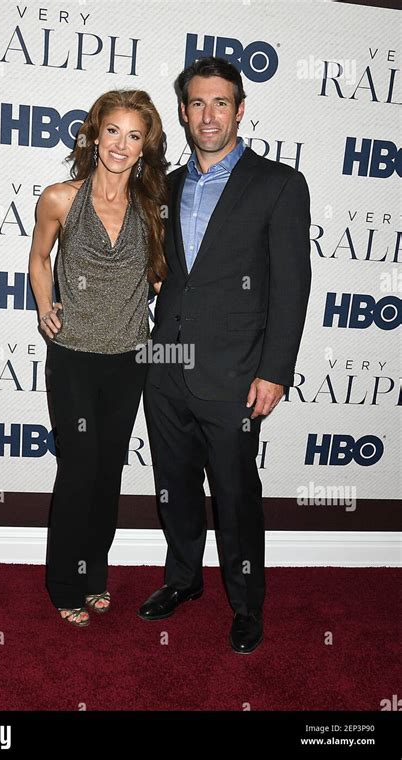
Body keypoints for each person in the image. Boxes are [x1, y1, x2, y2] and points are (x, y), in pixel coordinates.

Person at [138, 57, 312, 653]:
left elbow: (292, 286)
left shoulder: (279, 184)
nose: (208, 115)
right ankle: (183, 581)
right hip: (166, 369)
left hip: (237, 375)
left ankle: (245, 605)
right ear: (183, 113)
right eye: (196, 103)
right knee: (175, 487)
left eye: (220, 103)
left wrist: (275, 371)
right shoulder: (164, 185)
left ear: (240, 110)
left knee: (236, 497)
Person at [28, 90, 167, 627]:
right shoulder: (61, 198)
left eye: (134, 136)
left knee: (108, 473)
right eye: (113, 131)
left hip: (128, 360)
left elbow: (157, 277)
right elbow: (39, 258)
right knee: (79, 469)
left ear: (144, 147)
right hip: (74, 360)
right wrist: (45, 306)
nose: (121, 144)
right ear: (94, 134)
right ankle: (64, 582)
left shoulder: (151, 210)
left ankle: (94, 577)